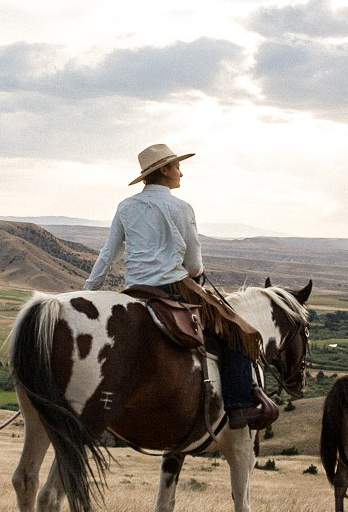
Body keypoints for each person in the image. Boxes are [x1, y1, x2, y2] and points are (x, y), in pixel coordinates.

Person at [84, 143, 277, 429]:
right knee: (239, 331)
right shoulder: (182, 207)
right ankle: (239, 406)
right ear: (164, 170)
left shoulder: (126, 206)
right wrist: (196, 273)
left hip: (134, 290)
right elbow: (194, 263)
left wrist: (88, 290)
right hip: (173, 287)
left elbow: (107, 253)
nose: (181, 173)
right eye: (176, 167)